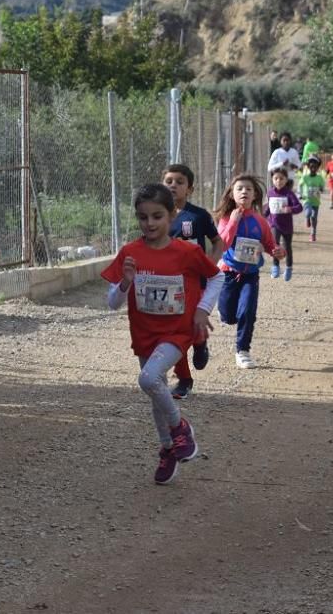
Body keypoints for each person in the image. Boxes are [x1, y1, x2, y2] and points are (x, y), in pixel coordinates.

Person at [101, 184, 223, 485]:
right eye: (143, 217)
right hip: (144, 335)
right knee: (156, 394)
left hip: (176, 333)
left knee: (147, 379)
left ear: (172, 216)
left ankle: (180, 428)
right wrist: (126, 283)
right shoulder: (130, 253)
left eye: (157, 216)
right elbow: (112, 302)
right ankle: (169, 449)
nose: (150, 223)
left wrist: (203, 309)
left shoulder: (187, 251)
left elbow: (216, 276)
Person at [162, 164, 224, 400]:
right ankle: (184, 379)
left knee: (192, 327)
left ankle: (200, 343)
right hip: (168, 285)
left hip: (195, 283)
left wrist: (210, 265)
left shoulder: (198, 216)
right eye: (169, 181)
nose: (173, 186)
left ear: (190, 189)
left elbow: (218, 243)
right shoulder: (158, 217)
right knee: (174, 331)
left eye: (179, 182)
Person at [214, 175, 285, 369]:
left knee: (248, 310)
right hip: (229, 273)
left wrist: (278, 251)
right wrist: (233, 222)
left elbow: (271, 245)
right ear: (232, 194)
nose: (244, 191)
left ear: (255, 195)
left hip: (251, 274)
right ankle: (227, 313)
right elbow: (223, 245)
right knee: (228, 316)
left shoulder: (259, 221)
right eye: (240, 188)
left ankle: (242, 351)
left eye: (248, 189)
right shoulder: (226, 219)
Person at [264, 167, 303, 280]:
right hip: (274, 224)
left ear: (286, 180)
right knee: (275, 245)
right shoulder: (270, 193)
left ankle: (289, 267)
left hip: (287, 226)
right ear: (272, 179)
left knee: (287, 247)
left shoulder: (289, 193)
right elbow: (268, 209)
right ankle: (275, 266)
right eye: (276, 178)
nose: (278, 181)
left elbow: (299, 207)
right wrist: (262, 217)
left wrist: (290, 209)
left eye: (281, 178)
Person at [298, 155, 326, 242]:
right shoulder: (305, 177)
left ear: (318, 167)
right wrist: (300, 194)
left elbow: (322, 187)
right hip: (307, 199)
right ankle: (307, 218)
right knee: (308, 213)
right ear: (308, 166)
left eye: (315, 165)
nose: (313, 166)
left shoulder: (319, 178)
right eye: (311, 164)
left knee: (314, 217)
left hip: (316, 201)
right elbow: (300, 185)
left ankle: (313, 233)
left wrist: (321, 189)